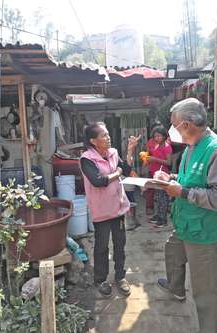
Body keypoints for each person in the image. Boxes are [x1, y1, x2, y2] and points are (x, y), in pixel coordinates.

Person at [154, 98, 217, 333]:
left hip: (203, 232)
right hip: (185, 224)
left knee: (205, 292)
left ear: (188, 124)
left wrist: (184, 192)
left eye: (174, 124)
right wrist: (170, 179)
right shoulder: (191, 147)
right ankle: (176, 287)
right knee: (172, 250)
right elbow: (188, 180)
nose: (172, 130)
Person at [79, 122, 140, 298]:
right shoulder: (86, 159)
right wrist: (118, 172)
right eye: (104, 135)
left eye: (107, 134)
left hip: (118, 207)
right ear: (93, 140)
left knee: (120, 244)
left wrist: (130, 150)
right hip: (102, 211)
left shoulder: (113, 153)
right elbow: (98, 181)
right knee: (101, 247)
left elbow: (127, 169)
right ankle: (100, 279)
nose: (108, 137)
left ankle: (120, 276)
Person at [146, 126, 172, 227]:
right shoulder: (156, 146)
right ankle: (158, 215)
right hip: (155, 174)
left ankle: (163, 219)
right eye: (155, 136)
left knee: (163, 197)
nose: (156, 138)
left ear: (164, 136)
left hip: (163, 176)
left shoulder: (167, 147)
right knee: (158, 196)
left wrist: (155, 159)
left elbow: (169, 162)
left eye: (158, 136)